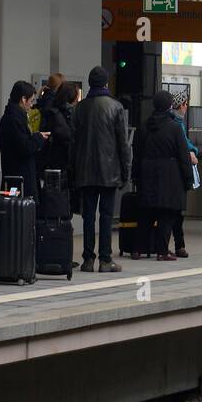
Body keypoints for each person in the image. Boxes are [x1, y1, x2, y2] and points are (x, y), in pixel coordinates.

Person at [71, 66, 131, 272]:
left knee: (89, 216)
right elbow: (123, 144)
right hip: (109, 171)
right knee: (106, 216)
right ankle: (106, 260)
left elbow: (74, 142)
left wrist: (73, 170)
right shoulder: (116, 107)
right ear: (106, 83)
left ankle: (88, 259)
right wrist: (126, 171)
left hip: (85, 171)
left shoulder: (79, 108)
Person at [135, 90, 194, 261]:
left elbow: (137, 153)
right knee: (167, 214)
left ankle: (137, 250)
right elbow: (183, 155)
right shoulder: (174, 127)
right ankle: (162, 251)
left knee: (146, 213)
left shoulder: (144, 126)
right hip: (170, 175)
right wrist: (188, 179)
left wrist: (136, 175)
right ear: (169, 106)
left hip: (147, 173)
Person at [0, 81, 50, 198]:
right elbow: (25, 147)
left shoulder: (11, 118)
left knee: (13, 210)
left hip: (14, 181)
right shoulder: (14, 120)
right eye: (31, 101)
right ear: (23, 99)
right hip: (19, 183)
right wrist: (38, 138)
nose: (32, 105)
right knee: (18, 212)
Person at [170, 92, 199, 258]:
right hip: (177, 173)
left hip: (168, 173)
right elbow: (183, 144)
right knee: (177, 212)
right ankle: (178, 245)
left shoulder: (172, 121)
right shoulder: (177, 124)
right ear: (181, 105)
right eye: (186, 104)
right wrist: (194, 151)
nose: (187, 107)